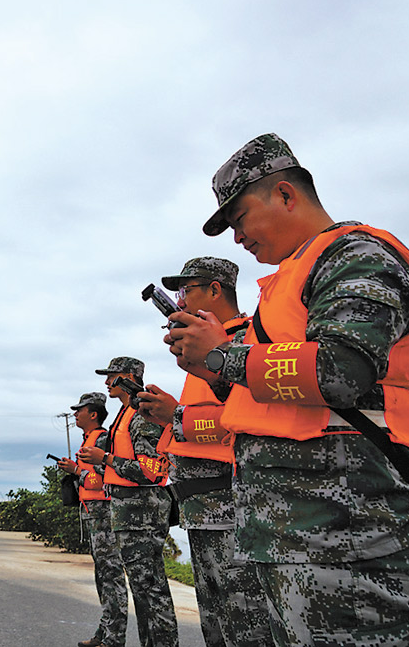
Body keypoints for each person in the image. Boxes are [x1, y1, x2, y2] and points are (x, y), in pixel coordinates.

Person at [166, 133, 409, 646]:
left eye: (239, 217)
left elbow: (343, 369)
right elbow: (269, 397)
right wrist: (215, 370)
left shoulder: (356, 255)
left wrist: (222, 356)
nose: (238, 238)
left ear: (286, 194)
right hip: (289, 540)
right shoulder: (288, 283)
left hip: (349, 540)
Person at [136, 257, 272, 647]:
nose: (178, 301)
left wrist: (174, 417)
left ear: (215, 290)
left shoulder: (247, 341)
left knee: (246, 625)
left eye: (185, 290)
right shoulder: (199, 353)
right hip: (201, 513)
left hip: (232, 510)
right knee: (215, 626)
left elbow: (244, 419)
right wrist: (170, 414)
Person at [79, 357, 178, 647]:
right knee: (142, 592)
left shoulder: (141, 414)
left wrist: (105, 458)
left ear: (128, 377)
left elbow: (152, 471)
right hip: (128, 514)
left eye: (112, 376)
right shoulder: (125, 414)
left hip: (142, 514)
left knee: (152, 592)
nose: (107, 382)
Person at [58, 392, 128, 647]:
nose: (75, 414)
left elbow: (105, 475)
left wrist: (76, 471)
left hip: (103, 513)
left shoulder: (103, 439)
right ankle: (105, 632)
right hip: (93, 513)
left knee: (111, 576)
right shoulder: (89, 439)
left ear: (94, 414)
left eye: (80, 409)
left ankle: (114, 638)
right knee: (103, 576)